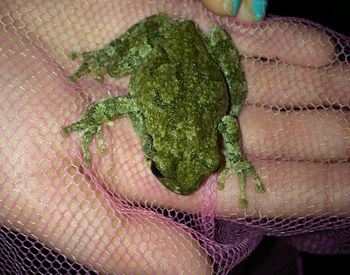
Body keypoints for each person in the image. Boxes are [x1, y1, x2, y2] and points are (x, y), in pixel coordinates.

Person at [0, 0, 349, 274]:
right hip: (171, 54)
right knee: (218, 103)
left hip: (195, 67)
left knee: (230, 109)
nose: (186, 186)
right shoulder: (150, 122)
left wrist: (235, 150)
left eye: (213, 162)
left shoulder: (149, 120)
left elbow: (225, 124)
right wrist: (90, 120)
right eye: (159, 168)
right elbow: (136, 106)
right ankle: (112, 55)